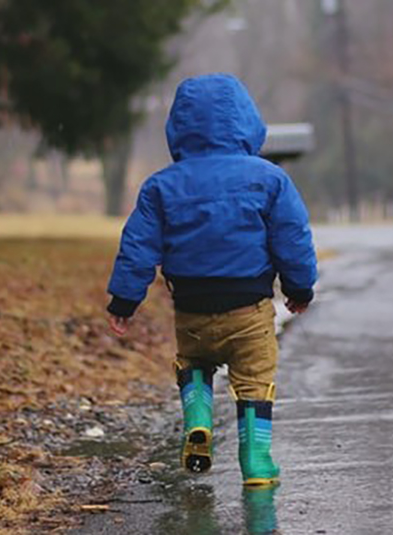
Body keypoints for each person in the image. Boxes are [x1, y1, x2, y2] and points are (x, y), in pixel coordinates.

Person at [105, 73, 317, 487]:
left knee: (195, 364)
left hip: (191, 309)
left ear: (179, 127)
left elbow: (138, 247)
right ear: (246, 121)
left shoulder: (161, 186)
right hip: (249, 309)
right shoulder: (269, 178)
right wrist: (299, 288)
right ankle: (256, 461)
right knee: (254, 380)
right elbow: (292, 238)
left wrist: (124, 302)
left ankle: (198, 418)